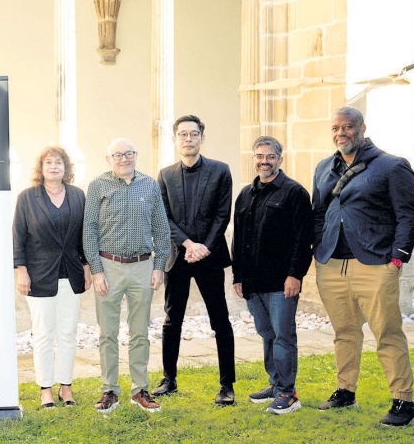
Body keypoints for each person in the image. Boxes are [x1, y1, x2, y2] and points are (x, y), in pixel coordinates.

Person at [312, 106, 414, 426]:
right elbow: (318, 213)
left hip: (375, 264)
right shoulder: (324, 167)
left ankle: (403, 402)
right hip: (331, 264)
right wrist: (317, 248)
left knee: (387, 332)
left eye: (347, 127)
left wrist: (397, 258)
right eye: (335, 128)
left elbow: (408, 215)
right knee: (344, 332)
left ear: (362, 128)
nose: (341, 133)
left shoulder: (391, 165)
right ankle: (345, 391)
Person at [153, 115, 237, 405]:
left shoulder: (220, 170)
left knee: (220, 320)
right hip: (178, 256)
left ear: (202, 137)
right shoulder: (165, 175)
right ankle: (169, 379)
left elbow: (223, 215)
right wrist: (188, 244)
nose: (188, 139)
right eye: (182, 134)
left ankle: (227, 385)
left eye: (193, 134)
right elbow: (164, 217)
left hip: (209, 257)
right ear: (175, 139)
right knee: (171, 320)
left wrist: (203, 248)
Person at [83, 138, 170, 414]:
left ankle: (139, 389)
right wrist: (97, 270)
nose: (124, 159)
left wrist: (159, 266)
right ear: (108, 159)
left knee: (140, 332)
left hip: (143, 266)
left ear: (136, 155)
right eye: (117, 155)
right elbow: (89, 230)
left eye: (128, 153)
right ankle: (110, 389)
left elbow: (162, 229)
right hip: (109, 267)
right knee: (108, 333)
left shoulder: (150, 185)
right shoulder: (98, 186)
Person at [231, 136, 312, 415]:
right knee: (266, 334)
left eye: (270, 156)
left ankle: (289, 393)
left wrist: (295, 275)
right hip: (253, 282)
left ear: (280, 159)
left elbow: (303, 239)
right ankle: (276, 384)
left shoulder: (294, 193)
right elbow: (238, 238)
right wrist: (238, 276)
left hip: (281, 282)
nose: (264, 161)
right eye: (259, 156)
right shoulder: (246, 194)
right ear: (253, 159)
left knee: (283, 336)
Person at [13, 146, 92, 409]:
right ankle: (45, 389)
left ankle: (65, 387)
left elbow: (84, 235)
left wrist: (87, 265)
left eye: (58, 162)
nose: (53, 166)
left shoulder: (78, 196)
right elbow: (18, 237)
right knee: (44, 334)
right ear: (41, 168)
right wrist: (21, 270)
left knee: (68, 333)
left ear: (66, 168)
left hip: (71, 273)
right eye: (48, 162)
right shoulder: (27, 198)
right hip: (39, 275)